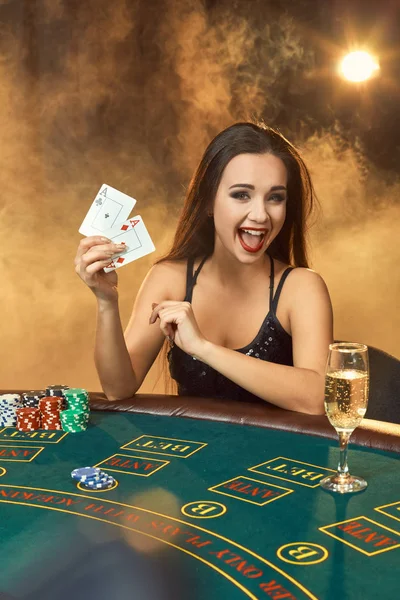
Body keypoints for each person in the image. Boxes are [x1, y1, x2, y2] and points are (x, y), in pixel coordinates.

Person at [75, 122, 333, 414]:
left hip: (278, 457)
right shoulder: (170, 278)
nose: (261, 215)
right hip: (191, 455)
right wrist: (106, 301)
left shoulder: (301, 287)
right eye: (241, 195)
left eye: (275, 197)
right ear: (209, 201)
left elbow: (316, 399)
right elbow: (118, 388)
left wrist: (202, 348)